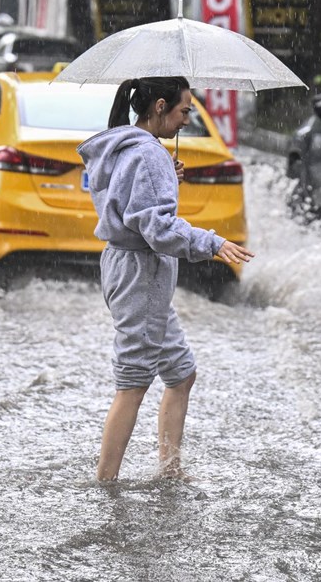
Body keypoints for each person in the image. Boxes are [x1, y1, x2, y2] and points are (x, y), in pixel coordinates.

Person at [77, 76, 254, 481]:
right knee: (133, 381)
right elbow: (156, 228)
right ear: (159, 106)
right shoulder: (147, 155)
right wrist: (211, 242)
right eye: (184, 110)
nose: (187, 119)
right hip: (141, 272)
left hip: (134, 269)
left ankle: (170, 470)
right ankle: (105, 484)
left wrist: (165, 177)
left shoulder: (126, 145)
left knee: (180, 371)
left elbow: (129, 201)